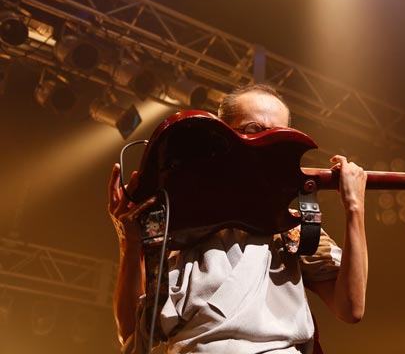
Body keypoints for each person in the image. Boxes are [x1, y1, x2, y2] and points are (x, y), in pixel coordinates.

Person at [107, 84, 368, 353]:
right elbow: (132, 335)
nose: (265, 146)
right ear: (223, 134)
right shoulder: (173, 219)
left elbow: (350, 308)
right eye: (253, 129)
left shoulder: (292, 226)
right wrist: (130, 240)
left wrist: (354, 207)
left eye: (277, 136)